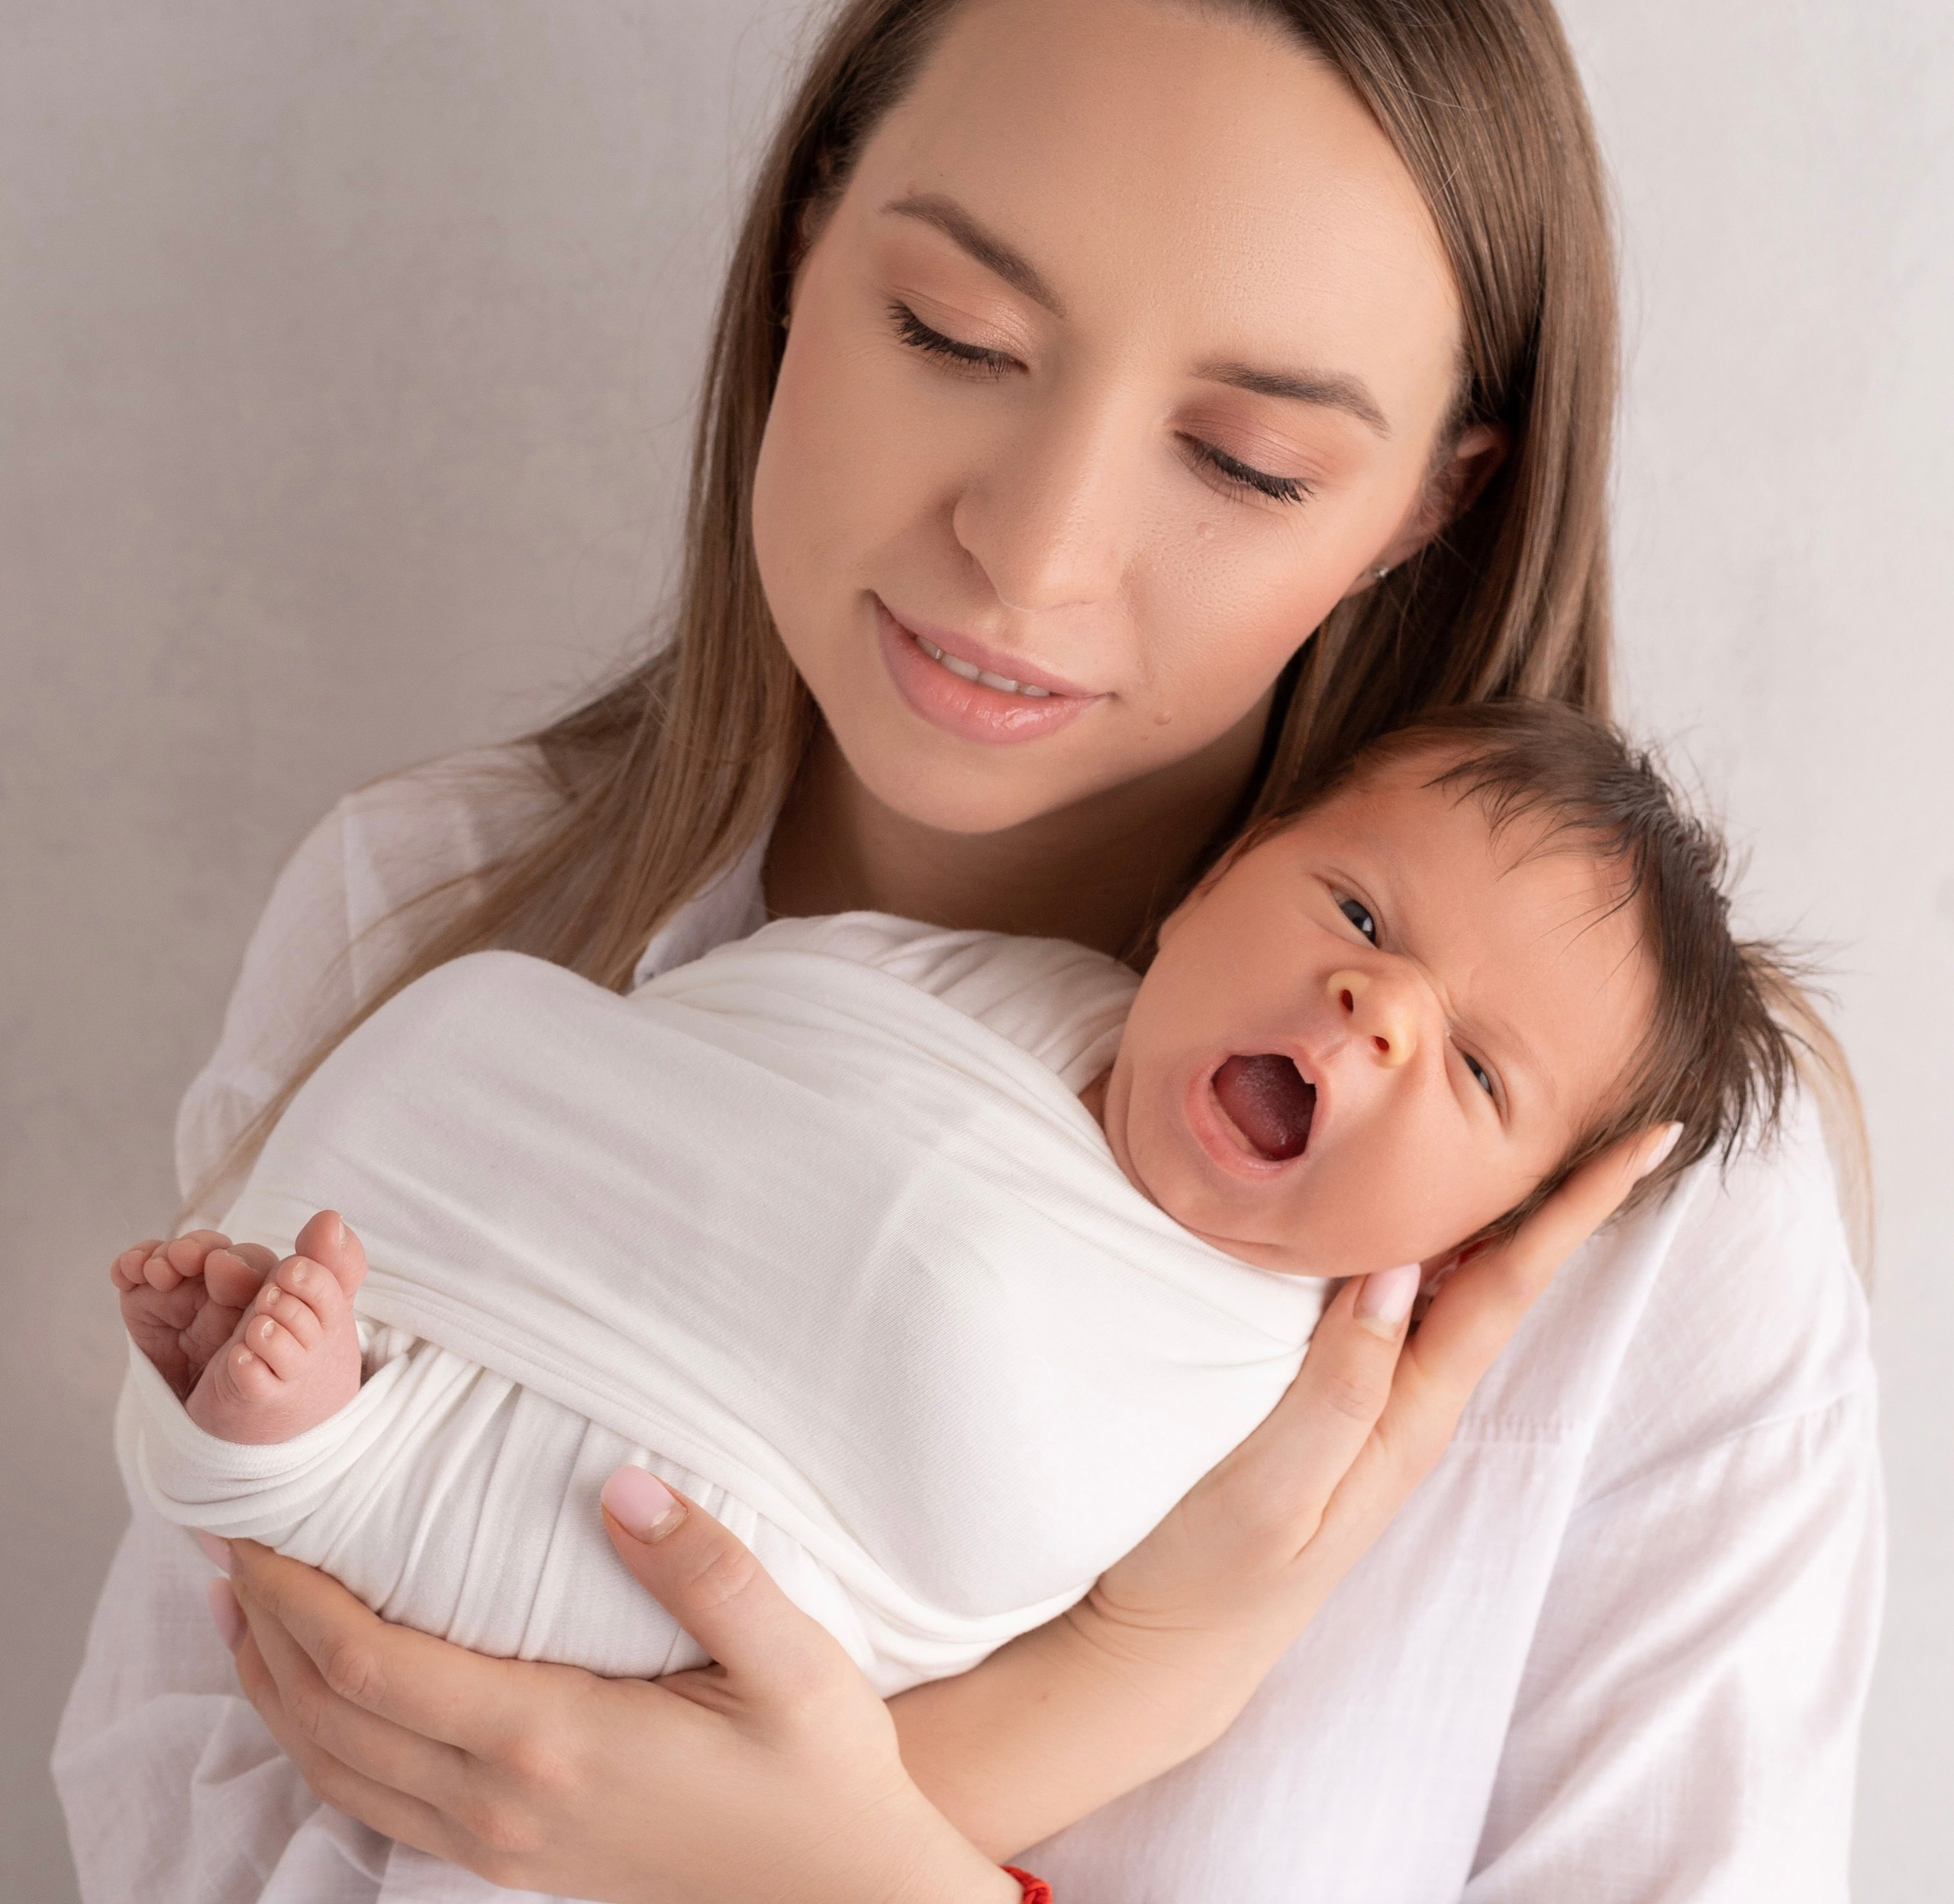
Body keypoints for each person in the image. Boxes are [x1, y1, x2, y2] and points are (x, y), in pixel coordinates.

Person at [55, 0, 1878, 1904]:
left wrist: (894, 1902)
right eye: (957, 339)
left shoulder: (1626, 1211)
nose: (1030, 547)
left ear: (1426, 516)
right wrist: (1114, 1692)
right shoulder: (431, 919)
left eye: (1244, 455)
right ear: (802, 254)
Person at [112, 705, 1788, 1718]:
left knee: (587, 1558)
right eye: (1355, 906)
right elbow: (760, 1015)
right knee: (473, 1020)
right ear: (1214, 882)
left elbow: (1001, 1501)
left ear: (1493, 1225)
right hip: (558, 1255)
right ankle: (311, 1382)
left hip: (728, 1542)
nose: (1376, 1006)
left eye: (1478, 1074)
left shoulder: (1257, 1369)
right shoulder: (1006, 987)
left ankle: (299, 1445)